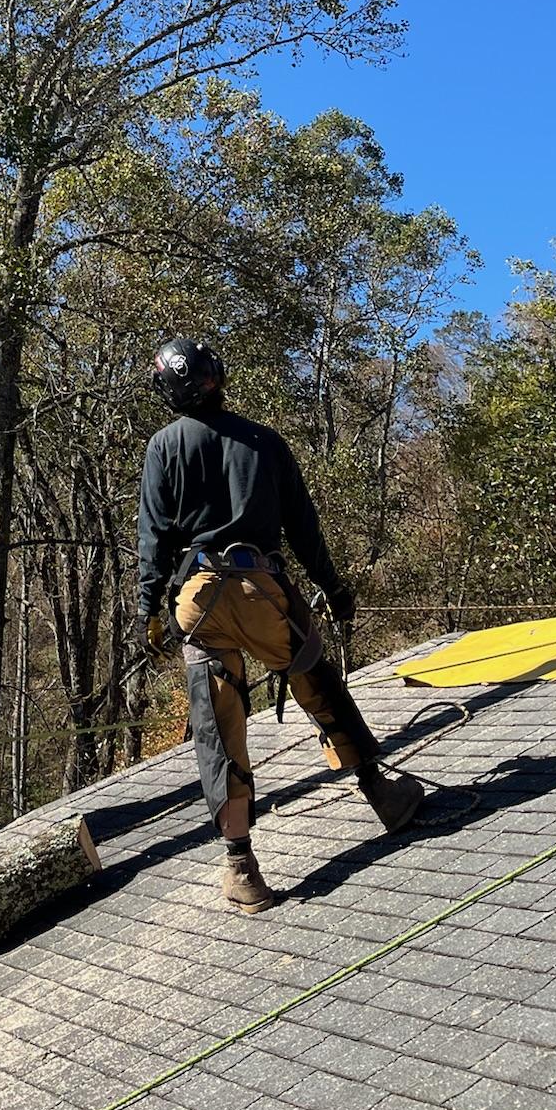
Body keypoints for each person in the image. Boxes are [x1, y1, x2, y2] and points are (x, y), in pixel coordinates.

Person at [136, 336, 424, 914]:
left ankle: (241, 867)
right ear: (217, 376)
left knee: (217, 728)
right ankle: (383, 797)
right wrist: (335, 590)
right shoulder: (263, 442)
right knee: (318, 684)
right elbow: (303, 528)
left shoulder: (163, 447)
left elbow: (155, 539)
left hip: (199, 600)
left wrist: (149, 611)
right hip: (261, 586)